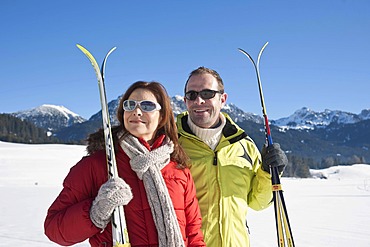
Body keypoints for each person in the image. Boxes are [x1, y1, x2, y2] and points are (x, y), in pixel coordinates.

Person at [44, 81, 206, 247]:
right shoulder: (98, 165)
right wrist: (97, 211)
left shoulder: (179, 170)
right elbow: (54, 229)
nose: (136, 111)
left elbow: (194, 236)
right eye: (130, 105)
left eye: (147, 106)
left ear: (162, 116)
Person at [176, 66, 288, 246]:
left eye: (207, 94)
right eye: (192, 95)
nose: (199, 100)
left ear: (223, 99)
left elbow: (257, 202)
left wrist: (268, 174)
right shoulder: (171, 144)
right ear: (185, 100)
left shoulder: (243, 145)